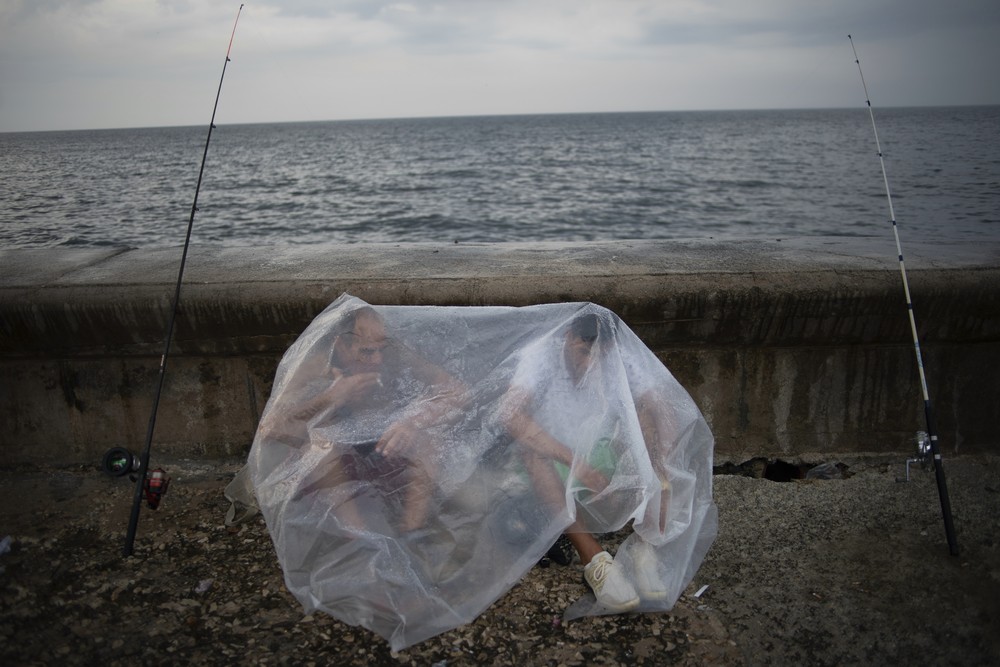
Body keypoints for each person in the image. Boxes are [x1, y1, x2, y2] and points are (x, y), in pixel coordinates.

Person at [501, 312, 677, 612]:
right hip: (551, 463)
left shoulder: (617, 356)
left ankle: (644, 547)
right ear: (568, 337)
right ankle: (594, 560)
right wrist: (577, 465)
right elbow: (510, 415)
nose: (590, 364)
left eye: (598, 356)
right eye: (583, 352)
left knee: (646, 417)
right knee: (529, 449)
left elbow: (660, 405)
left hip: (599, 456)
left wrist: (662, 467)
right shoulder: (540, 355)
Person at [292, 305, 466, 533]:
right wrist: (332, 397)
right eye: (366, 352)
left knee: (431, 437)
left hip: (389, 450)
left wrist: (413, 421)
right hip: (340, 462)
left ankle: (412, 531)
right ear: (341, 346)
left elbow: (458, 391)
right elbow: (271, 428)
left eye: (381, 349)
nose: (377, 359)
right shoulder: (317, 367)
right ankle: (359, 538)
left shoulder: (396, 357)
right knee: (316, 448)